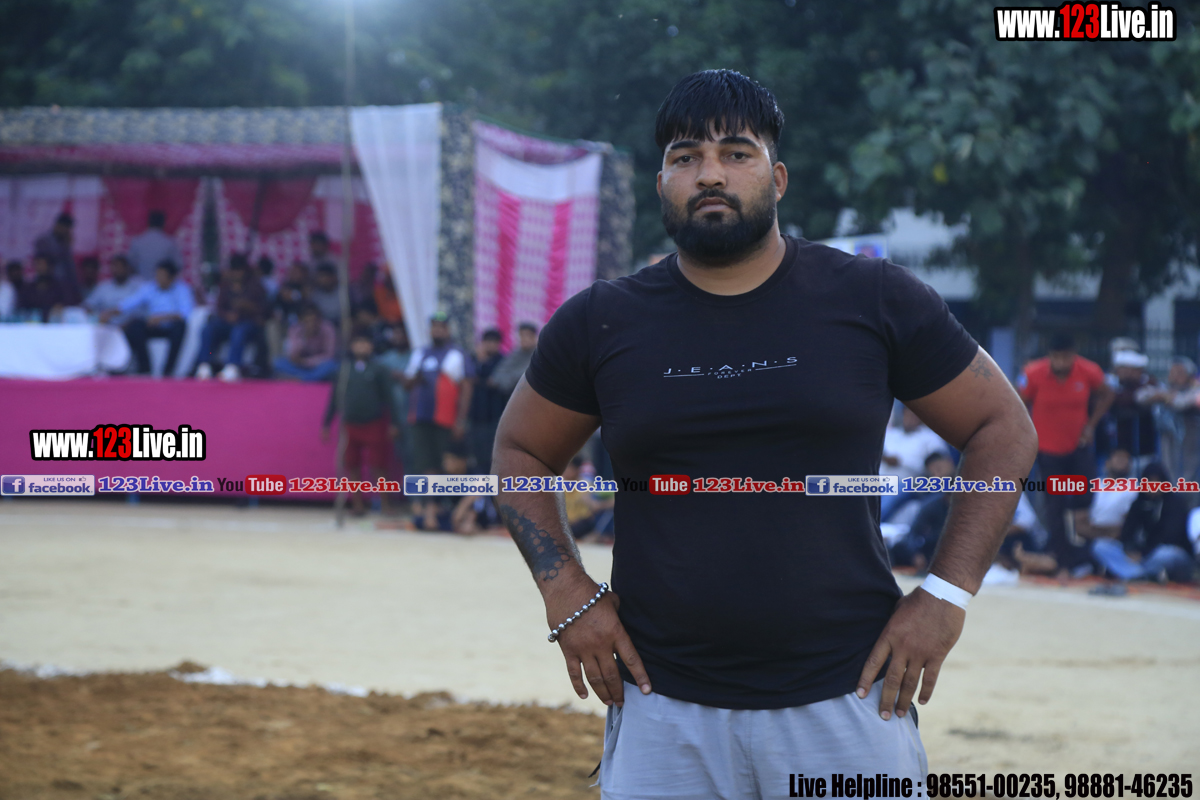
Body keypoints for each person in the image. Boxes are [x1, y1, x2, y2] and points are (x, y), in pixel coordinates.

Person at [491, 69, 1037, 789]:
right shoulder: (602, 321)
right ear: (662, 184)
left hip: (848, 697)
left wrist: (947, 595)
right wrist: (565, 591)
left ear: (777, 178)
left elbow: (1003, 426)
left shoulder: (872, 298)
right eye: (686, 157)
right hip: (661, 702)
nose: (710, 174)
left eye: (736, 153)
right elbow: (521, 450)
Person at [1018, 332, 1114, 577]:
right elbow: (1019, 402)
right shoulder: (1034, 373)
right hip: (1048, 450)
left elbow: (1107, 393)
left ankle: (1086, 551)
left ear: (1073, 355)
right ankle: (1062, 560)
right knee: (1055, 505)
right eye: (1057, 357)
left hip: (1078, 446)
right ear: (1050, 356)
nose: (1061, 362)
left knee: (1085, 495)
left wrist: (1091, 424)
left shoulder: (1088, 371)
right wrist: (1028, 432)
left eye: (1066, 357)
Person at [323, 329, 395, 517]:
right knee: (352, 465)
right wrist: (327, 423)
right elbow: (335, 398)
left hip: (374, 422)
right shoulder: (344, 370)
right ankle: (357, 504)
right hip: (350, 424)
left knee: (379, 465)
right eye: (358, 343)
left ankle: (385, 503)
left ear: (371, 346)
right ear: (352, 346)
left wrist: (394, 423)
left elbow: (389, 398)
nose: (361, 347)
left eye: (365, 343)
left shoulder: (379, 369)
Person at [1091, 462, 1196, 587]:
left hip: (1163, 553)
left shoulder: (1176, 503)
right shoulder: (1138, 503)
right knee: (1100, 546)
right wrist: (1131, 550)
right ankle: (1138, 575)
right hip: (1140, 557)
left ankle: (1132, 573)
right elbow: (1127, 533)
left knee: (1167, 554)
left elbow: (1170, 537)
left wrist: (1143, 553)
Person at [402, 312, 475, 476]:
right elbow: (407, 385)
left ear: (448, 330)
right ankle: (430, 494)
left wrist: (461, 421)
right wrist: (413, 378)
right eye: (434, 327)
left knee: (447, 463)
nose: (438, 330)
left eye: (442, 327)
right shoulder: (420, 353)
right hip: (420, 417)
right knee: (424, 463)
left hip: (446, 419)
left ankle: (444, 494)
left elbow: (467, 390)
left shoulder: (457, 354)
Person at [195, 255, 270, 381]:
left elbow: (264, 310)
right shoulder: (225, 285)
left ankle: (232, 366)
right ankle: (205, 364)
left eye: (239, 271)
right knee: (208, 329)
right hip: (227, 321)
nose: (237, 274)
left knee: (239, 331)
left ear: (245, 271)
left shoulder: (255, 285)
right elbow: (219, 308)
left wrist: (248, 306)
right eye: (234, 270)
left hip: (248, 323)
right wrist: (227, 315)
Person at [119, 259, 193, 376]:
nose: (158, 278)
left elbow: (185, 314)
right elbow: (129, 303)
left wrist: (162, 318)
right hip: (152, 326)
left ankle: (168, 371)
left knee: (180, 326)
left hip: (171, 327)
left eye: (162, 275)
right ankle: (145, 369)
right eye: (157, 275)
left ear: (172, 278)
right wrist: (110, 312)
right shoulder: (150, 287)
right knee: (135, 327)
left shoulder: (182, 289)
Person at [887, 452, 957, 572]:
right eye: (933, 473)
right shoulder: (933, 504)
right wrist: (916, 554)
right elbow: (914, 533)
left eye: (939, 469)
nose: (938, 475)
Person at [1098, 349, 1159, 465]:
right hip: (1113, 448)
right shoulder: (1110, 382)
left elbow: (1136, 397)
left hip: (1141, 446)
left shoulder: (1148, 383)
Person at [1148, 356, 1200, 486]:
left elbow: (1181, 403)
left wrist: (1166, 398)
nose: (1175, 377)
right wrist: (1165, 396)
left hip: (1192, 439)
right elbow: (1141, 397)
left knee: (1190, 473)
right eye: (1172, 372)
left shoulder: (1195, 389)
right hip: (1168, 439)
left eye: (1180, 373)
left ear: (1189, 375)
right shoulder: (1164, 389)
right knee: (1168, 470)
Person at [469, 328, 508, 474]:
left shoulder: (503, 361)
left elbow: (495, 382)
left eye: (494, 342)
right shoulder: (474, 361)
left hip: (495, 417)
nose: (490, 345)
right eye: (487, 341)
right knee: (478, 457)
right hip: (476, 418)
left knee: (493, 458)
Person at [274, 304, 338, 382]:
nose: (311, 324)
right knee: (277, 363)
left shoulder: (328, 329)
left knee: (332, 366)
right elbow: (292, 356)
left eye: (314, 320)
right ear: (302, 321)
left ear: (320, 320)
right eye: (307, 321)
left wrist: (307, 362)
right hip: (300, 366)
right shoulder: (295, 330)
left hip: (319, 365)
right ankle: (311, 379)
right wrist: (304, 338)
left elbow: (329, 355)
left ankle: (303, 379)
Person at [33, 212, 80, 305]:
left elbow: (69, 266)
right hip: (49, 284)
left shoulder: (65, 241)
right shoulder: (43, 240)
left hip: (66, 285)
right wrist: (65, 246)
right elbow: (50, 259)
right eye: (65, 228)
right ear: (58, 226)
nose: (67, 231)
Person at [84, 255, 142, 325]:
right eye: (115, 267)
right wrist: (96, 317)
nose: (118, 270)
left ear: (127, 268)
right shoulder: (104, 286)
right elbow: (88, 305)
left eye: (121, 267)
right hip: (106, 325)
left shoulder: (138, 285)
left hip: (131, 326)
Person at [127, 210, 182, 282]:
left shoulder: (137, 241)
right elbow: (178, 265)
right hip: (163, 284)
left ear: (148, 223)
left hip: (141, 283)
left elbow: (130, 265)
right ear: (163, 223)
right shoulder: (169, 242)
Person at [490, 321, 539, 397]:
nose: (524, 339)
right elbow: (496, 376)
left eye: (527, 335)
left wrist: (508, 380)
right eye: (521, 335)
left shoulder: (538, 355)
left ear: (534, 337)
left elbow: (525, 376)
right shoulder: (515, 353)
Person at [17, 255, 67, 321]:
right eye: (37, 264)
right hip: (31, 323)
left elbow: (68, 305)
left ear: (50, 266)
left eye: (43, 264)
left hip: (54, 323)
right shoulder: (28, 288)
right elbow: (21, 309)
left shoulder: (60, 287)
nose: (40, 268)